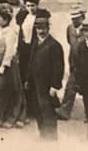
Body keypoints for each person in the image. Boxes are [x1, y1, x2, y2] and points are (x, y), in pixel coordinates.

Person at [57, 3, 88, 120]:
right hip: (75, 63)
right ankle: (64, 111)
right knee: (70, 86)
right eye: (72, 18)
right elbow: (70, 43)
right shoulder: (70, 29)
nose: (74, 20)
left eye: (76, 18)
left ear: (83, 17)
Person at [24, 9, 63, 140]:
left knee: (48, 111)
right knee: (38, 110)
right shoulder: (36, 43)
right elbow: (30, 62)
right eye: (38, 29)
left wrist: (55, 86)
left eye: (44, 28)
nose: (41, 31)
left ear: (48, 28)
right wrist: (28, 80)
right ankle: (43, 135)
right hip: (35, 84)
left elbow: (59, 68)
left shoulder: (54, 45)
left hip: (47, 85)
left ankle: (51, 138)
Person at [0, 4, 25, 128]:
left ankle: (12, 116)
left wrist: (4, 64)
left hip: (5, 63)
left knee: (4, 88)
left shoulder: (11, 32)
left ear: (6, 19)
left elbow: (10, 49)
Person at [16, 0, 42, 115]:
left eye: (33, 5)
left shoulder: (41, 17)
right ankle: (25, 107)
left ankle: (35, 107)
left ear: (37, 5)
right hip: (24, 50)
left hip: (35, 50)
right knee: (23, 76)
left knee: (34, 77)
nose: (31, 8)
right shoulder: (23, 17)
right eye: (28, 5)